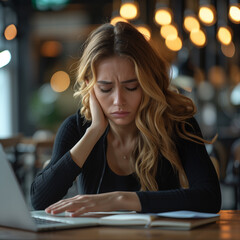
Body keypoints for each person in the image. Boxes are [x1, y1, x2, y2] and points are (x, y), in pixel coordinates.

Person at [31, 22, 221, 217]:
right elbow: (40, 201)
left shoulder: (177, 123)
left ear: (148, 83)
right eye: (105, 89)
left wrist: (119, 200)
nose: (118, 101)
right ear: (90, 86)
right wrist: (94, 131)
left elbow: (209, 198)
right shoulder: (77, 128)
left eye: (131, 87)